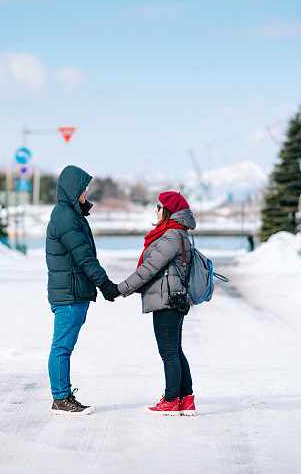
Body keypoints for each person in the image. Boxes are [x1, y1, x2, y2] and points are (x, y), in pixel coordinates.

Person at [46, 165, 120, 415]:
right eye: (84, 188)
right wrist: (106, 285)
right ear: (73, 189)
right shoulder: (66, 217)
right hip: (69, 294)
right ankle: (60, 398)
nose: (86, 192)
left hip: (73, 291)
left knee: (64, 346)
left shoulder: (70, 214)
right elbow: (84, 257)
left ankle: (62, 395)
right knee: (62, 347)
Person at [117, 191, 197, 416]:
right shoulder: (176, 234)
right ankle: (186, 399)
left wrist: (120, 289)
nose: (156, 210)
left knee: (169, 352)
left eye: (159, 206)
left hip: (167, 300)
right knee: (175, 351)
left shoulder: (171, 236)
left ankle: (171, 400)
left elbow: (149, 269)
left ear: (169, 211)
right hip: (172, 298)